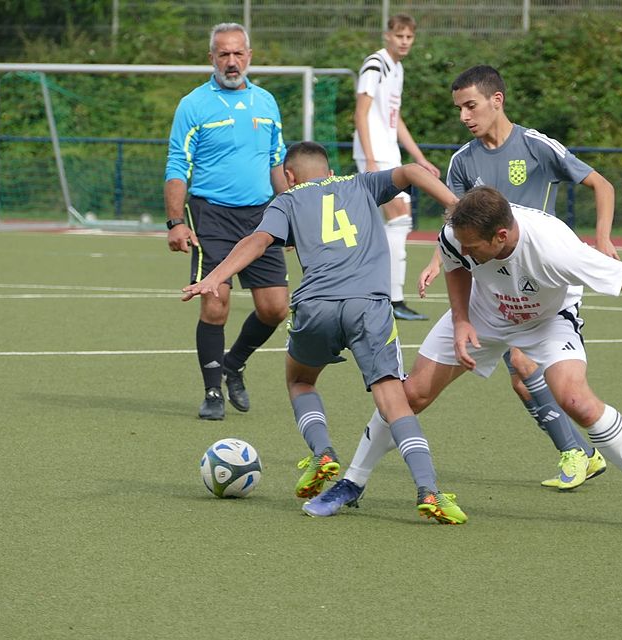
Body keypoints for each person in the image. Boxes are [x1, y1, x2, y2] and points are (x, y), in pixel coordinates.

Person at [309, 186, 622, 531]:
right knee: (410, 394)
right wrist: (462, 319)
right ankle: (352, 483)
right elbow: (455, 263)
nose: (464, 249)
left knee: (575, 400)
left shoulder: (556, 249)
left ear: (501, 235)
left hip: (547, 320)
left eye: (474, 246)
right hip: (483, 313)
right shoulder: (457, 234)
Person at [182, 142, 467, 524]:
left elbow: (259, 240)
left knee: (300, 380)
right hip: (368, 305)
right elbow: (414, 171)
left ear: (289, 177)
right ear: (330, 171)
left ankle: (322, 453)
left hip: (316, 306)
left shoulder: (286, 201)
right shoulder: (362, 184)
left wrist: (216, 276)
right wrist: (458, 208)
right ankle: (428, 489)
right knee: (392, 399)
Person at [421, 65, 621, 489]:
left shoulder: (535, 146)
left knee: (524, 364)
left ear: (497, 101)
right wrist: (438, 261)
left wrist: (602, 237)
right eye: (458, 109)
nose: (464, 117)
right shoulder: (462, 161)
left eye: (470, 106)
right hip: (494, 282)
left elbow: (601, 184)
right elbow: (457, 226)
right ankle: (583, 455)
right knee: (523, 382)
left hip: (541, 276)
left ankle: (579, 454)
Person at [165, 23, 289, 421]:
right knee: (215, 304)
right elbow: (177, 164)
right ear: (211, 59)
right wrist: (174, 222)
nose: (231, 62)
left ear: (249, 56)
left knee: (275, 310)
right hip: (212, 216)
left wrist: (291, 211)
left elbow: (277, 163)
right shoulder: (193, 105)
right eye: (223, 54)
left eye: (238, 54)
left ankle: (234, 362)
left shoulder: (267, 102)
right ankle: (213, 392)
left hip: (261, 217)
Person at [353, 13, 440, 321]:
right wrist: (371, 158)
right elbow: (361, 113)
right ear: (387, 35)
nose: (404, 41)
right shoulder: (374, 64)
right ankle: (392, 299)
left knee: (395, 223)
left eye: (409, 37)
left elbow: (395, 118)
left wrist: (419, 158)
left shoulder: (397, 69)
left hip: (389, 153)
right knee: (398, 219)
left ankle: (388, 296)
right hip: (375, 153)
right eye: (399, 35)